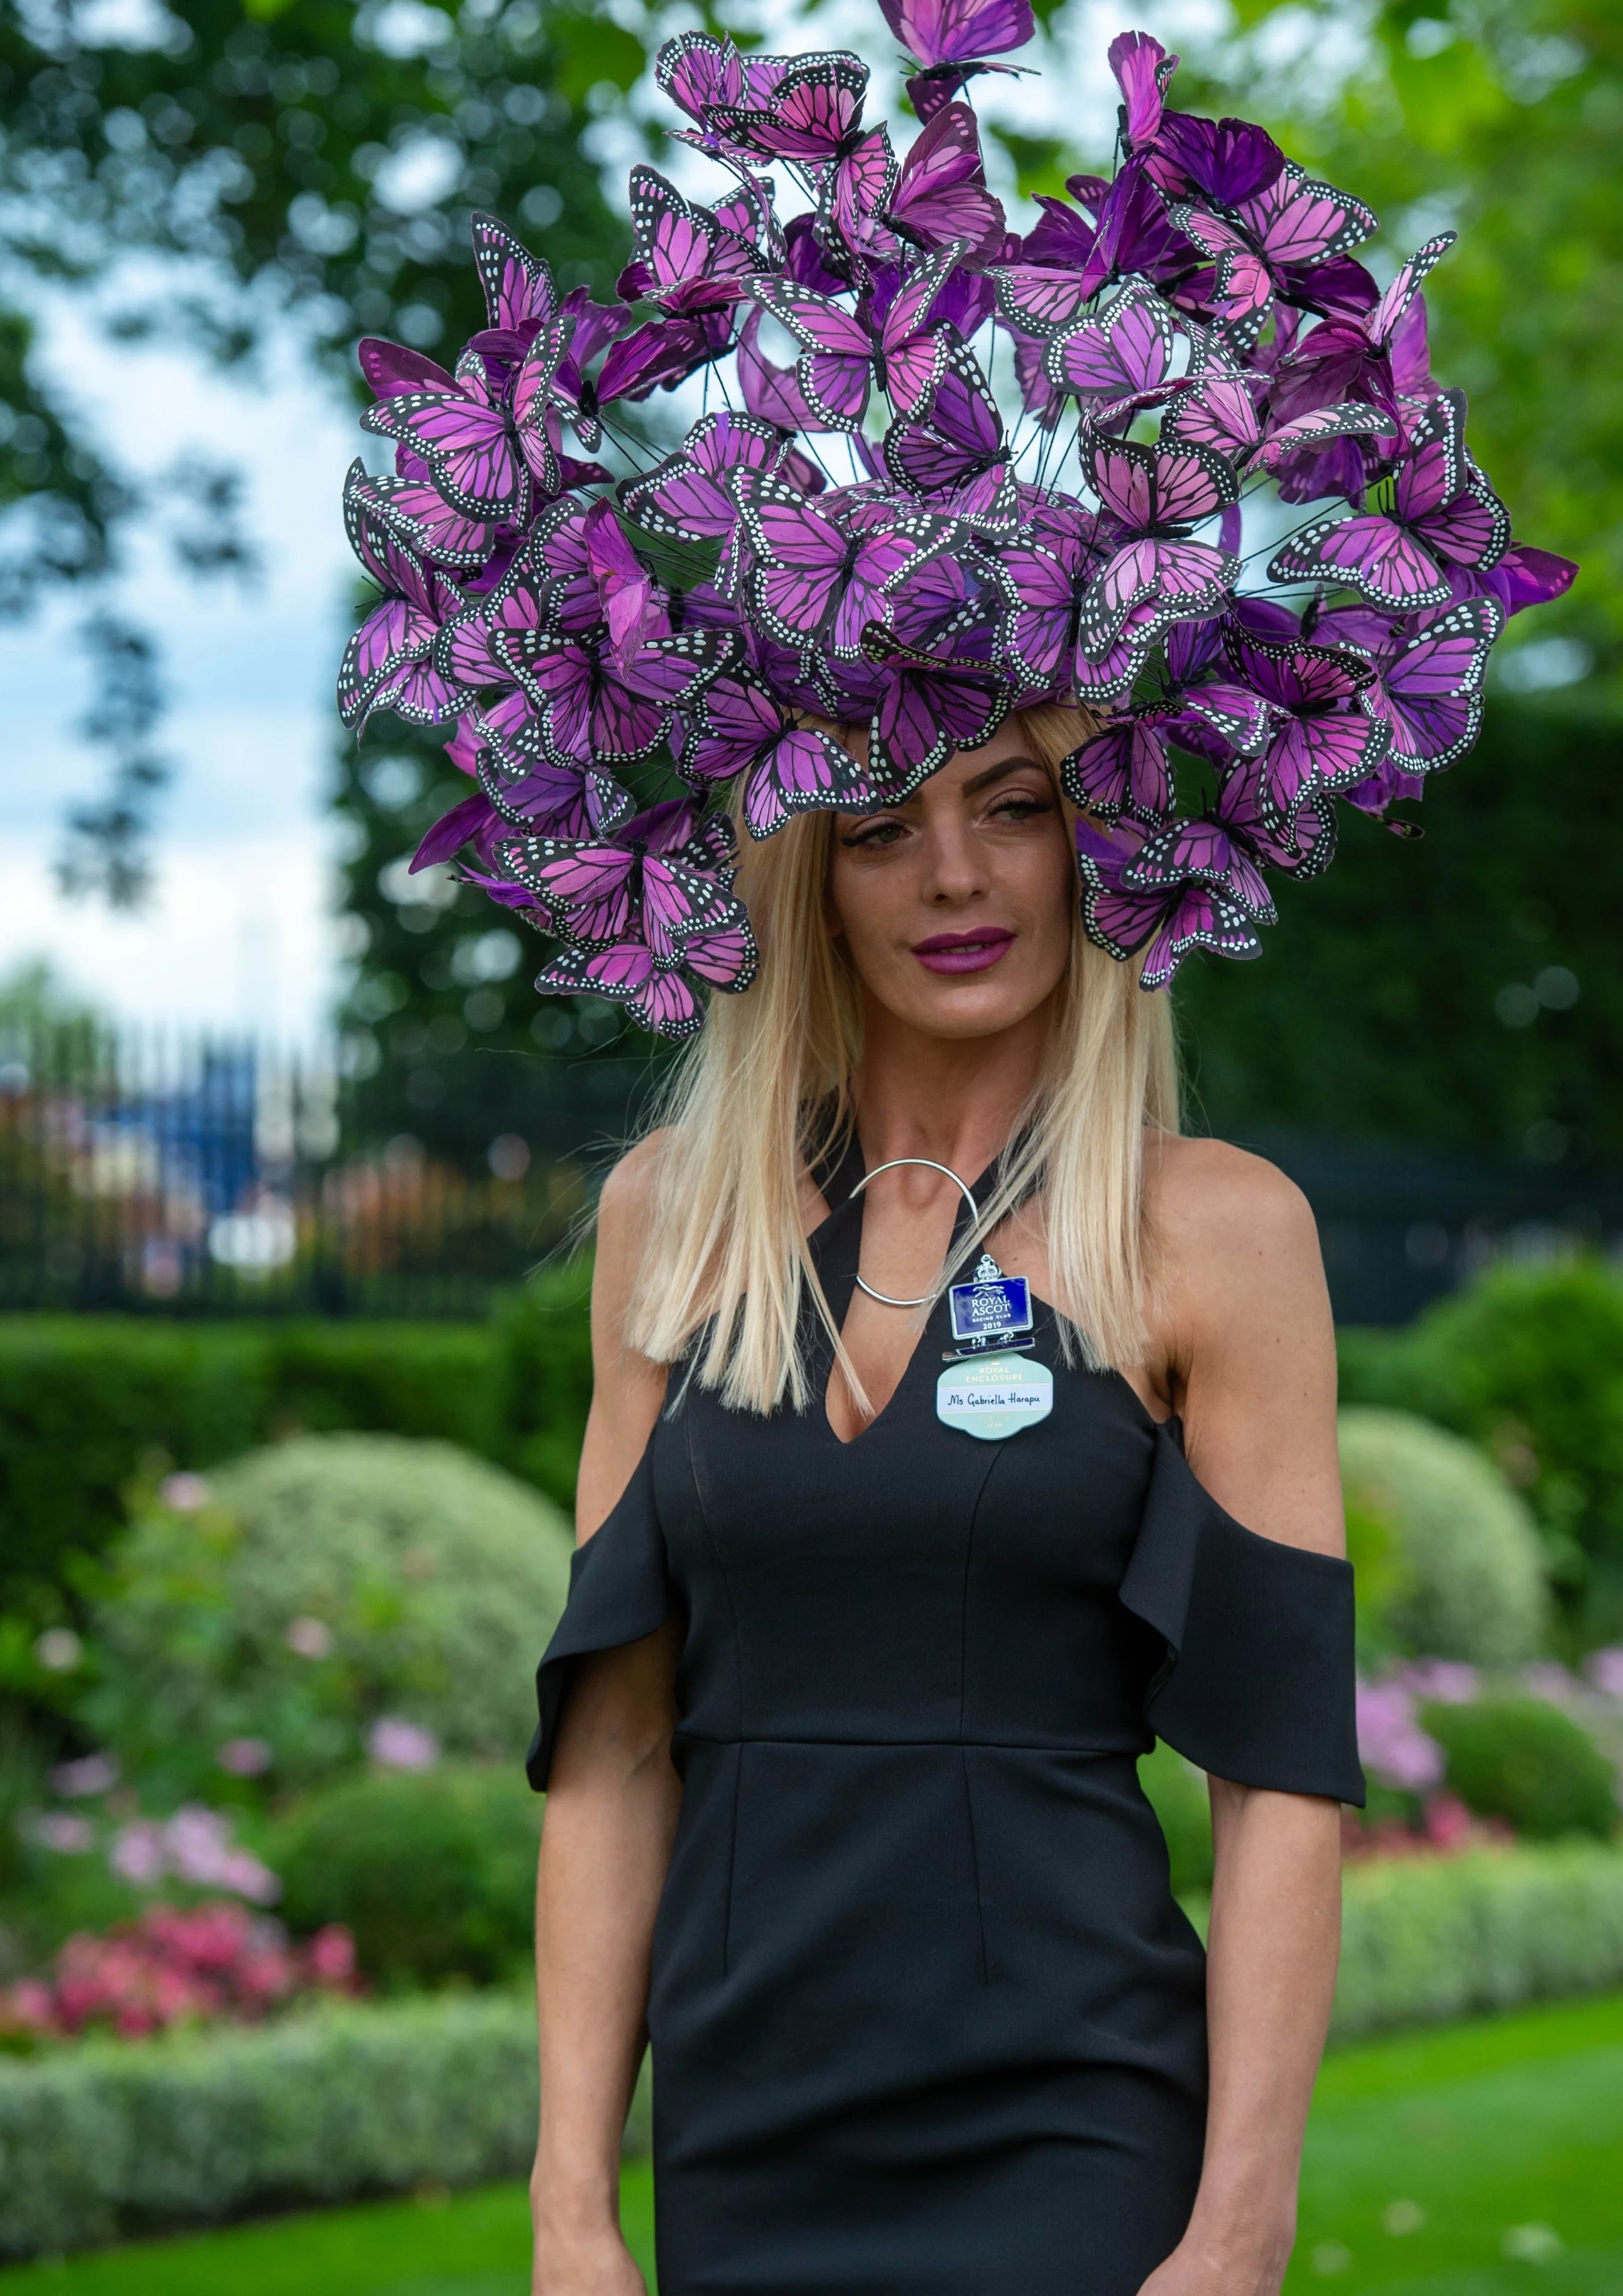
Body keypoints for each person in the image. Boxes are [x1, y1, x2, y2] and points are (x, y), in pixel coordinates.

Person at [523, 704, 1363, 2296]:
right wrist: (572, 2214)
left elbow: (1278, 1773)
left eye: (1015, 809)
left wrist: (1237, 2238)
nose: (956, 879)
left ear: (1094, 841)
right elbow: (616, 1738)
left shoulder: (1218, 1229)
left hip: (1073, 2121)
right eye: (881, 830)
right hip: (741, 2119)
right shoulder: (674, 1218)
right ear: (807, 879)